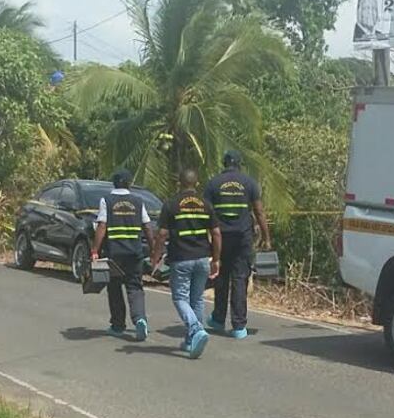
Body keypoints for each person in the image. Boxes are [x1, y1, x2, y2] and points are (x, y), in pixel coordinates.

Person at [151, 168, 221, 359]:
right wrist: (216, 259)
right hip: (202, 258)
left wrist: (156, 256)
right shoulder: (206, 204)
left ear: (179, 184)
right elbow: (216, 233)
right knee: (197, 299)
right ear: (196, 184)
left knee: (180, 298)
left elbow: (162, 234)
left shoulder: (171, 204)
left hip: (181, 259)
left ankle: (196, 329)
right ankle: (191, 341)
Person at [203, 150, 271, 339]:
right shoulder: (249, 183)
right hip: (243, 238)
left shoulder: (213, 183)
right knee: (240, 279)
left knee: (221, 277)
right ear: (240, 164)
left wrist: (204, 239)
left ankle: (218, 319)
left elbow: (205, 212)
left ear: (224, 164)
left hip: (220, 238)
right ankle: (239, 326)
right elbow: (259, 212)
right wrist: (267, 237)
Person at [90, 168, 155, 341]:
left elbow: (102, 225)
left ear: (114, 183)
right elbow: (147, 226)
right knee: (135, 287)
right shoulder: (138, 201)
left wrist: (95, 250)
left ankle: (118, 325)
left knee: (114, 287)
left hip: (114, 253)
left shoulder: (107, 200)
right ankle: (140, 319)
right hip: (135, 253)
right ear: (129, 183)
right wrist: (153, 249)